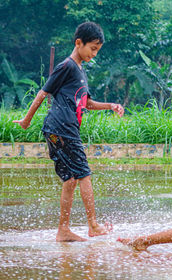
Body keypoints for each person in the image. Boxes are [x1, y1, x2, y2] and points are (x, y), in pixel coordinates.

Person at [13, 22, 124, 242]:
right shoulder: (67, 66)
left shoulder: (80, 70)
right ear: (78, 43)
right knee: (84, 174)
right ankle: (93, 225)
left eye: (97, 50)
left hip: (59, 129)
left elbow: (87, 102)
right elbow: (43, 93)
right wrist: (26, 120)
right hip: (62, 128)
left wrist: (110, 105)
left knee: (71, 178)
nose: (94, 53)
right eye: (92, 48)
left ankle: (63, 230)